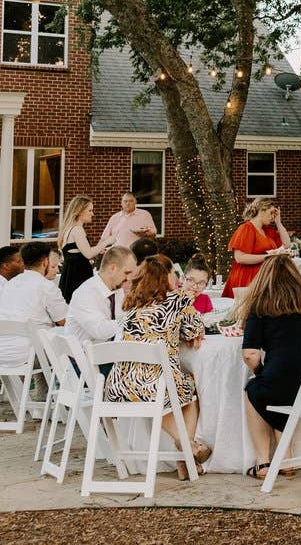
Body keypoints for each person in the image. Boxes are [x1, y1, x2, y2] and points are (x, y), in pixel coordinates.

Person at [104, 255, 211, 478]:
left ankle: (185, 454)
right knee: (189, 391)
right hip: (155, 387)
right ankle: (187, 448)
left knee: (166, 390)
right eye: (173, 274)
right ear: (165, 277)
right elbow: (195, 330)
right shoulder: (177, 301)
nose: (177, 278)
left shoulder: (130, 305)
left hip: (119, 387)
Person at [239, 253, 301, 480]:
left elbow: (250, 354)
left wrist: (260, 372)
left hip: (289, 385)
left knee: (256, 389)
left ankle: (263, 462)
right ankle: (286, 457)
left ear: (263, 278)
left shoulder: (261, 306)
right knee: (279, 384)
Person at [0, 241, 67, 368]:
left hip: (1, 352)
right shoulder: (45, 286)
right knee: (75, 343)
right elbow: (64, 321)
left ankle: (45, 382)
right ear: (45, 262)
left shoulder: (9, 284)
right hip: (31, 354)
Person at [66, 245, 137, 347]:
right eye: (127, 273)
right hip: (82, 355)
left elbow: (121, 319)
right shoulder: (85, 293)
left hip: (107, 351)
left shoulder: (117, 289)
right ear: (112, 268)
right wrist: (132, 319)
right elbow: (100, 330)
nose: (129, 278)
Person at [223, 198, 292, 297]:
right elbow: (240, 258)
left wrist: (278, 222)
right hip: (248, 278)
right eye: (271, 213)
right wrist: (268, 257)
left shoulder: (267, 231)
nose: (273, 217)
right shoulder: (246, 228)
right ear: (262, 210)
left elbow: (287, 244)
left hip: (264, 277)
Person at [58, 195, 112, 303]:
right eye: (90, 210)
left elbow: (79, 252)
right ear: (79, 211)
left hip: (73, 275)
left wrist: (98, 250)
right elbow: (88, 253)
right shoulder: (77, 230)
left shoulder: (71, 229)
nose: (92, 214)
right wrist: (107, 241)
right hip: (77, 277)